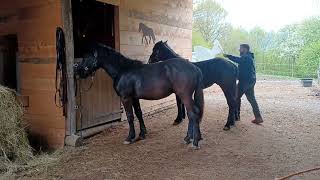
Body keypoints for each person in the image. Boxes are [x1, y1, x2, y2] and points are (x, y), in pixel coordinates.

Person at [224, 44, 263, 124]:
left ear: (245, 49)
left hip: (245, 81)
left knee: (236, 97)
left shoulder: (247, 57)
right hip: (250, 81)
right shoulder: (249, 57)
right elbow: (243, 68)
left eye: (241, 49)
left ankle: (236, 116)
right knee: (252, 99)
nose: (239, 50)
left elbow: (239, 60)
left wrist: (229, 56)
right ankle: (258, 117)